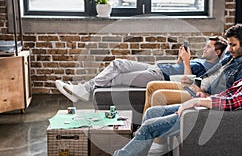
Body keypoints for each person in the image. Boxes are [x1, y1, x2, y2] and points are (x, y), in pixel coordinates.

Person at [85, 33, 242, 156]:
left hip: (211, 118)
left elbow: (231, 104)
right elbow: (227, 93)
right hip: (206, 108)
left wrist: (198, 101)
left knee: (148, 126)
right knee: (154, 112)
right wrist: (199, 96)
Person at [55, 37, 227, 103]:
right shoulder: (203, 60)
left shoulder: (209, 67)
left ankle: (83, 90)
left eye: (208, 47)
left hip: (159, 77)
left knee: (117, 78)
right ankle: (84, 90)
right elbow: (179, 67)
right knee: (117, 64)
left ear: (217, 52)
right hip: (156, 68)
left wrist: (187, 61)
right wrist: (180, 58)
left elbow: (186, 81)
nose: (204, 49)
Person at [143, 23, 242, 112]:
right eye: (229, 45)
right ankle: (143, 128)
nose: (229, 49)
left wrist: (205, 93)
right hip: (196, 85)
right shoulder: (231, 55)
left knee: (158, 95)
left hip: (204, 94)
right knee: (151, 86)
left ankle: (157, 139)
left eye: (233, 45)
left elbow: (231, 93)